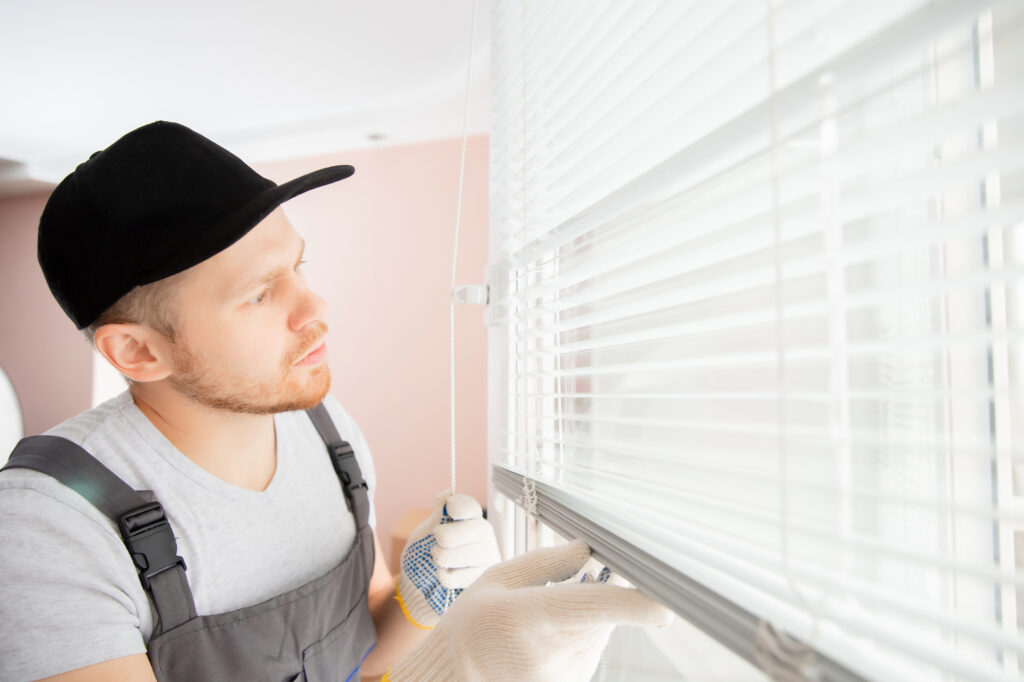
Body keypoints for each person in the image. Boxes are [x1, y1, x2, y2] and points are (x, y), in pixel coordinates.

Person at [0, 121, 671, 682]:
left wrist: (421, 605)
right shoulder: (50, 528)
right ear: (138, 353)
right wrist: (453, 666)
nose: (315, 311)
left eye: (299, 267)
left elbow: (359, 649)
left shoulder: (327, 434)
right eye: (261, 293)